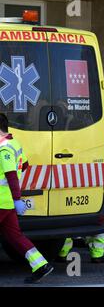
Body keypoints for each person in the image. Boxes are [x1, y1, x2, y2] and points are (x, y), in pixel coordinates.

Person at [0, 113, 54, 283]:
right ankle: (41, 265)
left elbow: (11, 176)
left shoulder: (4, 149)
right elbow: (24, 165)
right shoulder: (14, 143)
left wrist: (17, 199)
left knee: (15, 236)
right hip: (7, 202)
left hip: (2, 201)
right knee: (15, 236)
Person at [57, 120, 104, 263]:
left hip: (66, 175)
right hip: (89, 174)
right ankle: (97, 254)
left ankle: (63, 252)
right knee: (94, 219)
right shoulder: (99, 123)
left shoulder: (64, 124)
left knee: (66, 217)